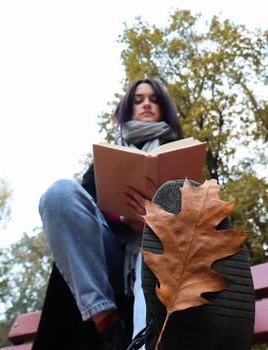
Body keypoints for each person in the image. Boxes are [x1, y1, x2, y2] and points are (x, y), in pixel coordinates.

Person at [32, 78, 184, 350]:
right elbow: (83, 211)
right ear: (128, 109)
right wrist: (124, 218)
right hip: (109, 259)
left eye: (153, 99)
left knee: (153, 238)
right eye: (138, 100)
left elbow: (199, 217)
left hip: (164, 258)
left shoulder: (182, 153)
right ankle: (105, 319)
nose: (146, 104)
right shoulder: (108, 157)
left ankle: (141, 344)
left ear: (163, 108)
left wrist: (154, 221)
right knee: (59, 193)